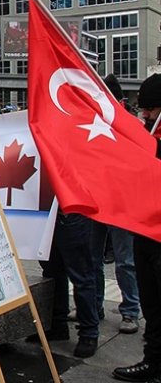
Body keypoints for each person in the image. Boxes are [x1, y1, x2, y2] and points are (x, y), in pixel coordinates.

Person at [114, 73, 161, 382]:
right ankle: (153, 361)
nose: (144, 114)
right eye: (143, 108)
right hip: (145, 231)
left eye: (151, 109)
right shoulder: (145, 133)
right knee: (152, 304)